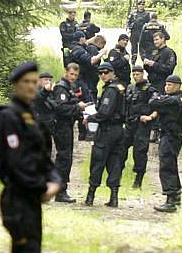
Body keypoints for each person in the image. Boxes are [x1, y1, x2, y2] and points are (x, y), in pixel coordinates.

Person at [0, 62, 62, 253]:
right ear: (16, 85)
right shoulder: (9, 117)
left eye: (35, 82)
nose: (32, 86)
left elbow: (44, 157)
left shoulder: (31, 116)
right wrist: (40, 187)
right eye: (27, 82)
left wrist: (55, 180)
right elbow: (15, 163)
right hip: (19, 198)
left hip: (31, 199)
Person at [84, 62, 126, 208]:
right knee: (114, 163)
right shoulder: (119, 87)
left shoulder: (111, 90)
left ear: (112, 73)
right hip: (118, 130)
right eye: (100, 73)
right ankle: (114, 197)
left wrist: (90, 118)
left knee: (98, 160)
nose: (103, 75)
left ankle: (90, 196)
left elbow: (104, 113)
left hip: (108, 130)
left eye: (106, 72)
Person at [149, 74, 182, 213]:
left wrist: (157, 97)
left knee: (167, 167)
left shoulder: (173, 100)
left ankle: (171, 200)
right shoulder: (181, 100)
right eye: (166, 84)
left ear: (178, 86)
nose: (167, 87)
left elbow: (153, 103)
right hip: (172, 135)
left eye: (170, 85)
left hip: (170, 136)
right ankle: (175, 197)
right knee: (170, 165)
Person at [52, 62, 86, 203]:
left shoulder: (70, 87)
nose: (73, 77)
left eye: (75, 75)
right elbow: (61, 108)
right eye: (71, 74)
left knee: (66, 157)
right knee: (64, 158)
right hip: (61, 126)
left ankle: (60, 189)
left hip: (67, 125)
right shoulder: (61, 88)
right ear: (66, 72)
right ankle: (60, 191)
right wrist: (77, 107)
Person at [121, 65, 157, 189]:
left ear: (143, 74)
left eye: (138, 74)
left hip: (142, 124)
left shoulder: (150, 89)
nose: (136, 76)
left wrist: (150, 117)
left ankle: (138, 180)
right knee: (121, 148)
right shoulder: (130, 88)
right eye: (134, 74)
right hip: (130, 123)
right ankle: (118, 174)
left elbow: (156, 105)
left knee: (140, 151)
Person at [70, 30, 106, 100]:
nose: (86, 40)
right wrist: (102, 53)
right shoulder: (79, 49)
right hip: (80, 79)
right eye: (84, 38)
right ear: (81, 39)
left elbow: (86, 42)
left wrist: (96, 38)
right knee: (87, 99)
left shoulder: (74, 47)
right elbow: (91, 61)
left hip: (77, 78)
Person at [32, 71, 56, 148]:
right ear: (39, 81)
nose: (48, 82)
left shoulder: (51, 92)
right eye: (46, 80)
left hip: (49, 124)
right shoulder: (35, 91)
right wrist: (45, 91)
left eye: (49, 80)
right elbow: (39, 99)